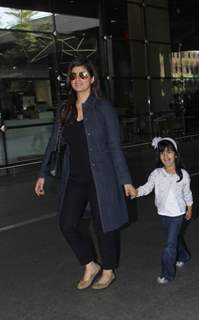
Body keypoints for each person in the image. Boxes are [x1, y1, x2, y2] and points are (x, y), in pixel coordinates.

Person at [34, 58, 136, 289]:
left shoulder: (103, 108)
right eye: (73, 76)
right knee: (67, 223)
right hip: (75, 177)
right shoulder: (65, 109)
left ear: (91, 78)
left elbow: (114, 146)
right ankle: (90, 264)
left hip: (102, 177)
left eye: (82, 75)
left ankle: (108, 270)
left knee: (104, 226)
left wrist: (125, 180)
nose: (77, 80)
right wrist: (43, 173)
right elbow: (53, 144)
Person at [132, 137, 193, 284]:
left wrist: (189, 207)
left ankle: (167, 274)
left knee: (169, 245)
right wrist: (137, 192)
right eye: (162, 154)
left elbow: (187, 193)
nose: (166, 156)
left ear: (176, 154)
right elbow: (147, 187)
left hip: (178, 213)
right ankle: (183, 256)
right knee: (175, 238)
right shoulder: (156, 174)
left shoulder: (183, 175)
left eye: (169, 152)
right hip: (164, 213)